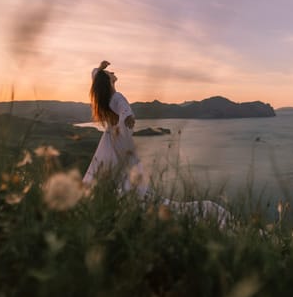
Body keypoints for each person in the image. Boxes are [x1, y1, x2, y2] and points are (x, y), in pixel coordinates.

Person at [83, 62, 231, 227]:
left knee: (110, 172)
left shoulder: (106, 98)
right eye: (110, 73)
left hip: (110, 139)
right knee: (127, 174)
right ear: (108, 80)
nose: (113, 72)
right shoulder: (116, 97)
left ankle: (112, 202)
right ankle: (130, 203)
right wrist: (128, 119)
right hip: (119, 140)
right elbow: (124, 110)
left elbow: (95, 75)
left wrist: (100, 68)